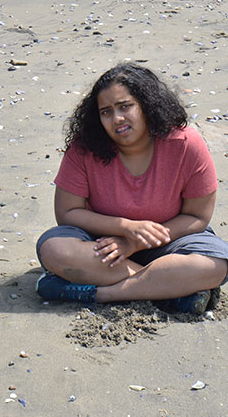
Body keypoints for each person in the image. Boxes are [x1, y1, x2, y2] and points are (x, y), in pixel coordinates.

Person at [35, 63, 228, 315]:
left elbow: (198, 217)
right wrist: (126, 229)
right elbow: (67, 213)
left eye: (125, 106)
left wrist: (135, 244)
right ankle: (172, 293)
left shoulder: (186, 144)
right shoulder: (84, 147)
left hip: (171, 241)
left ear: (147, 105)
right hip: (103, 247)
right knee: (53, 248)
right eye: (106, 112)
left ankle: (102, 294)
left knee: (216, 265)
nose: (117, 119)